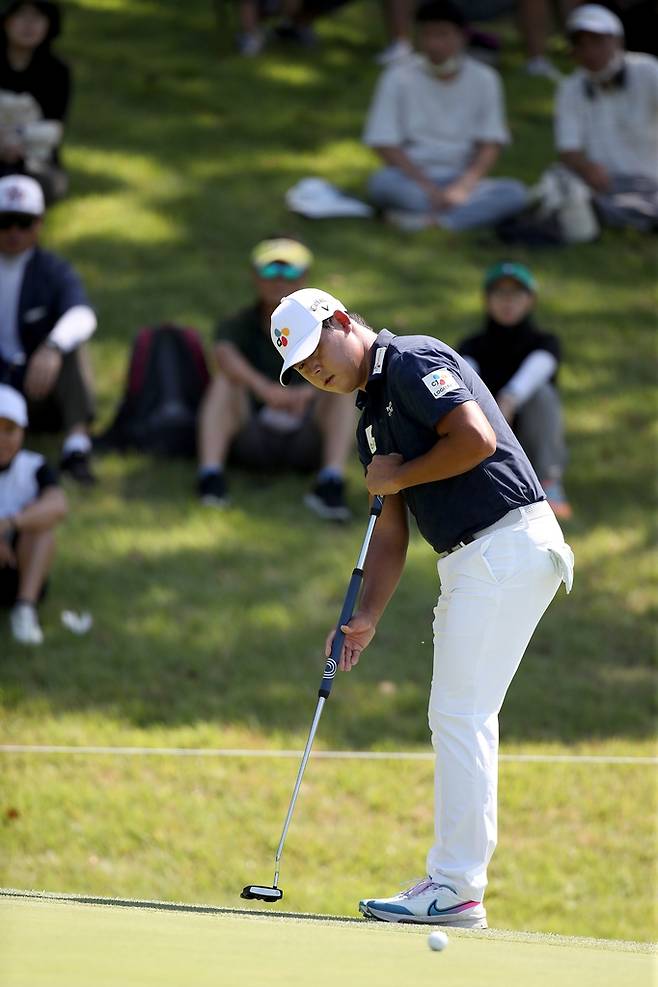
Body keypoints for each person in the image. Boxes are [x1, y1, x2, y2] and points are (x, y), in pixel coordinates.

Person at [270, 285, 574, 927]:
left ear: (342, 320)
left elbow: (475, 439)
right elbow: (390, 532)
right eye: (299, 368)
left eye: (313, 350)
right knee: (463, 715)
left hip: (506, 542)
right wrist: (368, 617)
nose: (312, 370)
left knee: (459, 714)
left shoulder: (410, 360)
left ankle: (456, 887)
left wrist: (397, 475)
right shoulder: (369, 418)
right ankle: (456, 885)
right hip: (478, 557)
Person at [196, 236, 355, 520]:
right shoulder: (239, 323)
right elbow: (223, 354)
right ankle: (211, 478)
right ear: (255, 276)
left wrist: (310, 392)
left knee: (345, 392)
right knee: (224, 382)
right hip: (254, 431)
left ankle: (331, 482)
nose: (279, 279)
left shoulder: (329, 321)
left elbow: (351, 366)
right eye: (270, 270)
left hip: (308, 430)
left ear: (305, 276)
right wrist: (265, 390)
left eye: (290, 271)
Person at [362, 0, 527, 232]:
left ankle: (433, 223)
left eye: (443, 35)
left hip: (461, 179)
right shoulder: (397, 76)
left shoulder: (485, 79)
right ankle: (454, 219)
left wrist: (463, 187)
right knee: (381, 183)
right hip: (411, 178)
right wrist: (427, 187)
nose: (434, 44)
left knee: (515, 193)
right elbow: (384, 142)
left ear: (462, 37)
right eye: (427, 35)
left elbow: (491, 142)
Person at [0, 174, 98, 484]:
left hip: (37, 384)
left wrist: (52, 347)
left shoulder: (53, 270)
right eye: (6, 222)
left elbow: (82, 314)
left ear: (39, 224)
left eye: (24, 222)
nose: (14, 232)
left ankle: (76, 447)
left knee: (73, 346)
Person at [458, 261, 572, 519]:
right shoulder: (471, 346)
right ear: (487, 300)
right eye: (500, 293)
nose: (508, 301)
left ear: (530, 300)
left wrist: (509, 399)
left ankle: (549, 483)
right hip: (487, 437)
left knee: (543, 394)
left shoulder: (545, 343)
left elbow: (537, 370)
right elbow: (466, 380)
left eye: (516, 294)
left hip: (529, 437)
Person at [554, 3, 658, 232]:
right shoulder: (570, 88)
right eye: (581, 44)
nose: (590, 52)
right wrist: (585, 167)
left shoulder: (648, 70)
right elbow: (567, 149)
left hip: (651, 181)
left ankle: (601, 215)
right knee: (558, 182)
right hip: (602, 184)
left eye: (598, 41)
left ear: (617, 41)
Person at [0, 383, 67, 644]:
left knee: (41, 530)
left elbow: (57, 505)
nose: (3, 438)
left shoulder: (34, 466)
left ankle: (24, 609)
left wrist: (9, 524)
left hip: (17, 563)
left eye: (10, 429)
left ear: (22, 432)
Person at [0, 0, 70, 203]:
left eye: (37, 18)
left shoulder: (57, 72)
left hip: (35, 159)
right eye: (22, 15)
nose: (29, 25)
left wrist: (15, 140)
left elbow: (54, 128)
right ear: (7, 20)